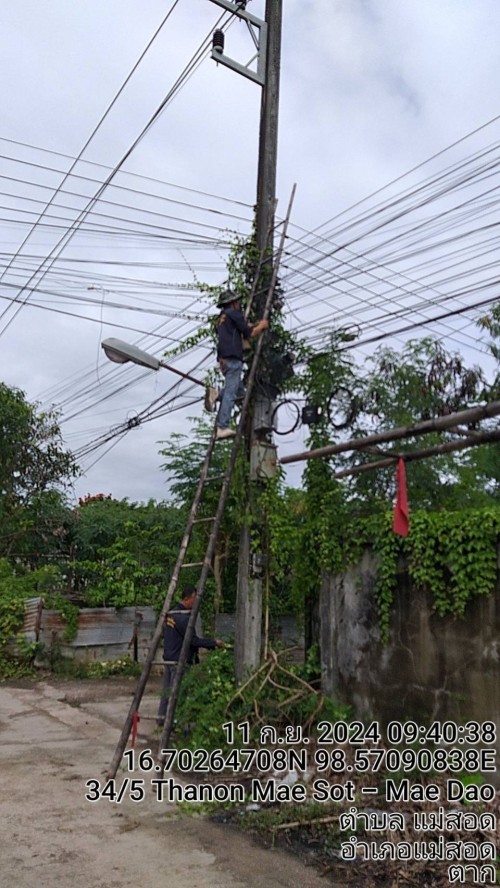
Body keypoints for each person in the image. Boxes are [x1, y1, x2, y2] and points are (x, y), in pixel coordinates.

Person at [205, 289, 269, 440]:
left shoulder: (221, 319)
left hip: (224, 359)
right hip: (233, 359)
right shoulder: (234, 314)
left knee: (239, 393)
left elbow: (235, 331)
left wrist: (252, 325)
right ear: (233, 303)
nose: (239, 304)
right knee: (231, 393)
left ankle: (215, 395)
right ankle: (222, 426)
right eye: (237, 301)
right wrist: (262, 326)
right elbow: (249, 333)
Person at [157, 585, 224, 725]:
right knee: (178, 693)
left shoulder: (172, 613)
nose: (195, 603)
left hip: (169, 657)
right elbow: (193, 641)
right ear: (187, 598)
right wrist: (214, 643)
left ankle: (162, 719)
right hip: (178, 660)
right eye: (194, 599)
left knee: (167, 691)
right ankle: (174, 721)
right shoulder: (183, 618)